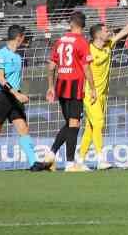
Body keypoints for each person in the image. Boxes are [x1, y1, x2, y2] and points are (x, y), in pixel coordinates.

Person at [77, 0, 128, 170]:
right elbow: (84, 72)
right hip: (90, 92)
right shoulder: (88, 50)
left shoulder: (108, 45)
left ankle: (79, 160)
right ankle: (101, 159)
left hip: (102, 93)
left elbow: (124, 32)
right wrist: (92, 90)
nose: (108, 31)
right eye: (105, 30)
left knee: (90, 127)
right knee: (99, 123)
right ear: (97, 35)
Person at [0, 24, 41, 171]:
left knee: (23, 129)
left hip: (14, 97)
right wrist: (17, 94)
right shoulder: (1, 54)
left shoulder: (18, 57)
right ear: (19, 38)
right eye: (24, 37)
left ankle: (33, 163)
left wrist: (17, 94)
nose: (25, 40)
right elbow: (1, 79)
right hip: (2, 97)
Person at [43, 11, 95, 172]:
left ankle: (51, 154)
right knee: (74, 124)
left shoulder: (60, 41)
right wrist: (93, 88)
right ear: (83, 25)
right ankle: (70, 163)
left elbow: (51, 66)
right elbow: (86, 68)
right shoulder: (82, 42)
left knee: (70, 123)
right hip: (75, 86)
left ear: (71, 24)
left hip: (61, 84)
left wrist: (51, 87)